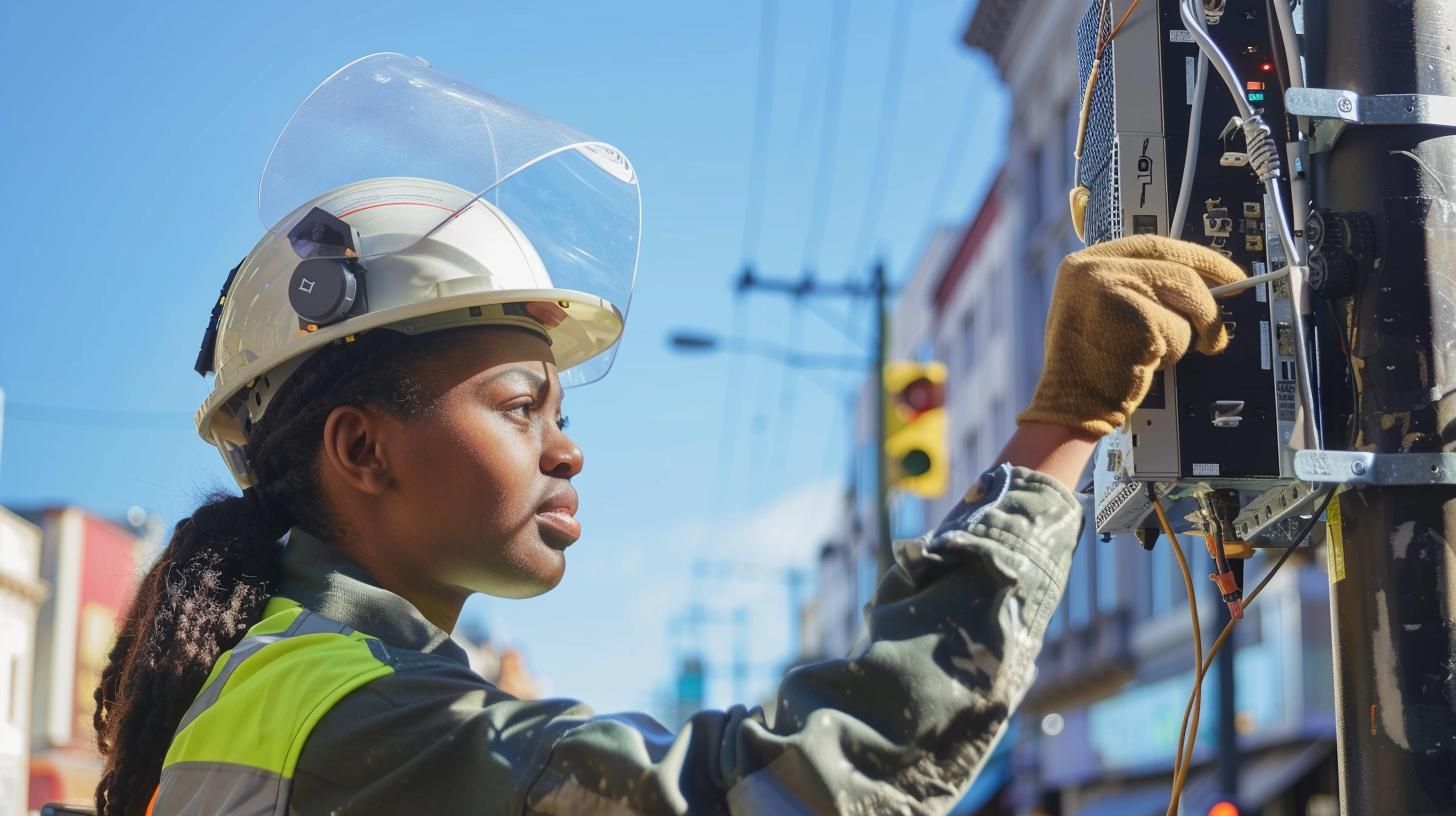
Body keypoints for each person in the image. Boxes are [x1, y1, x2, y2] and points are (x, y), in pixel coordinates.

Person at [91, 54, 1244, 816]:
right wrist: (1064, 426)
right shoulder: (360, 716)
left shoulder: (301, 684)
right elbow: (794, 784)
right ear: (361, 450)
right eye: (517, 405)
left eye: (563, 410)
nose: (566, 448)